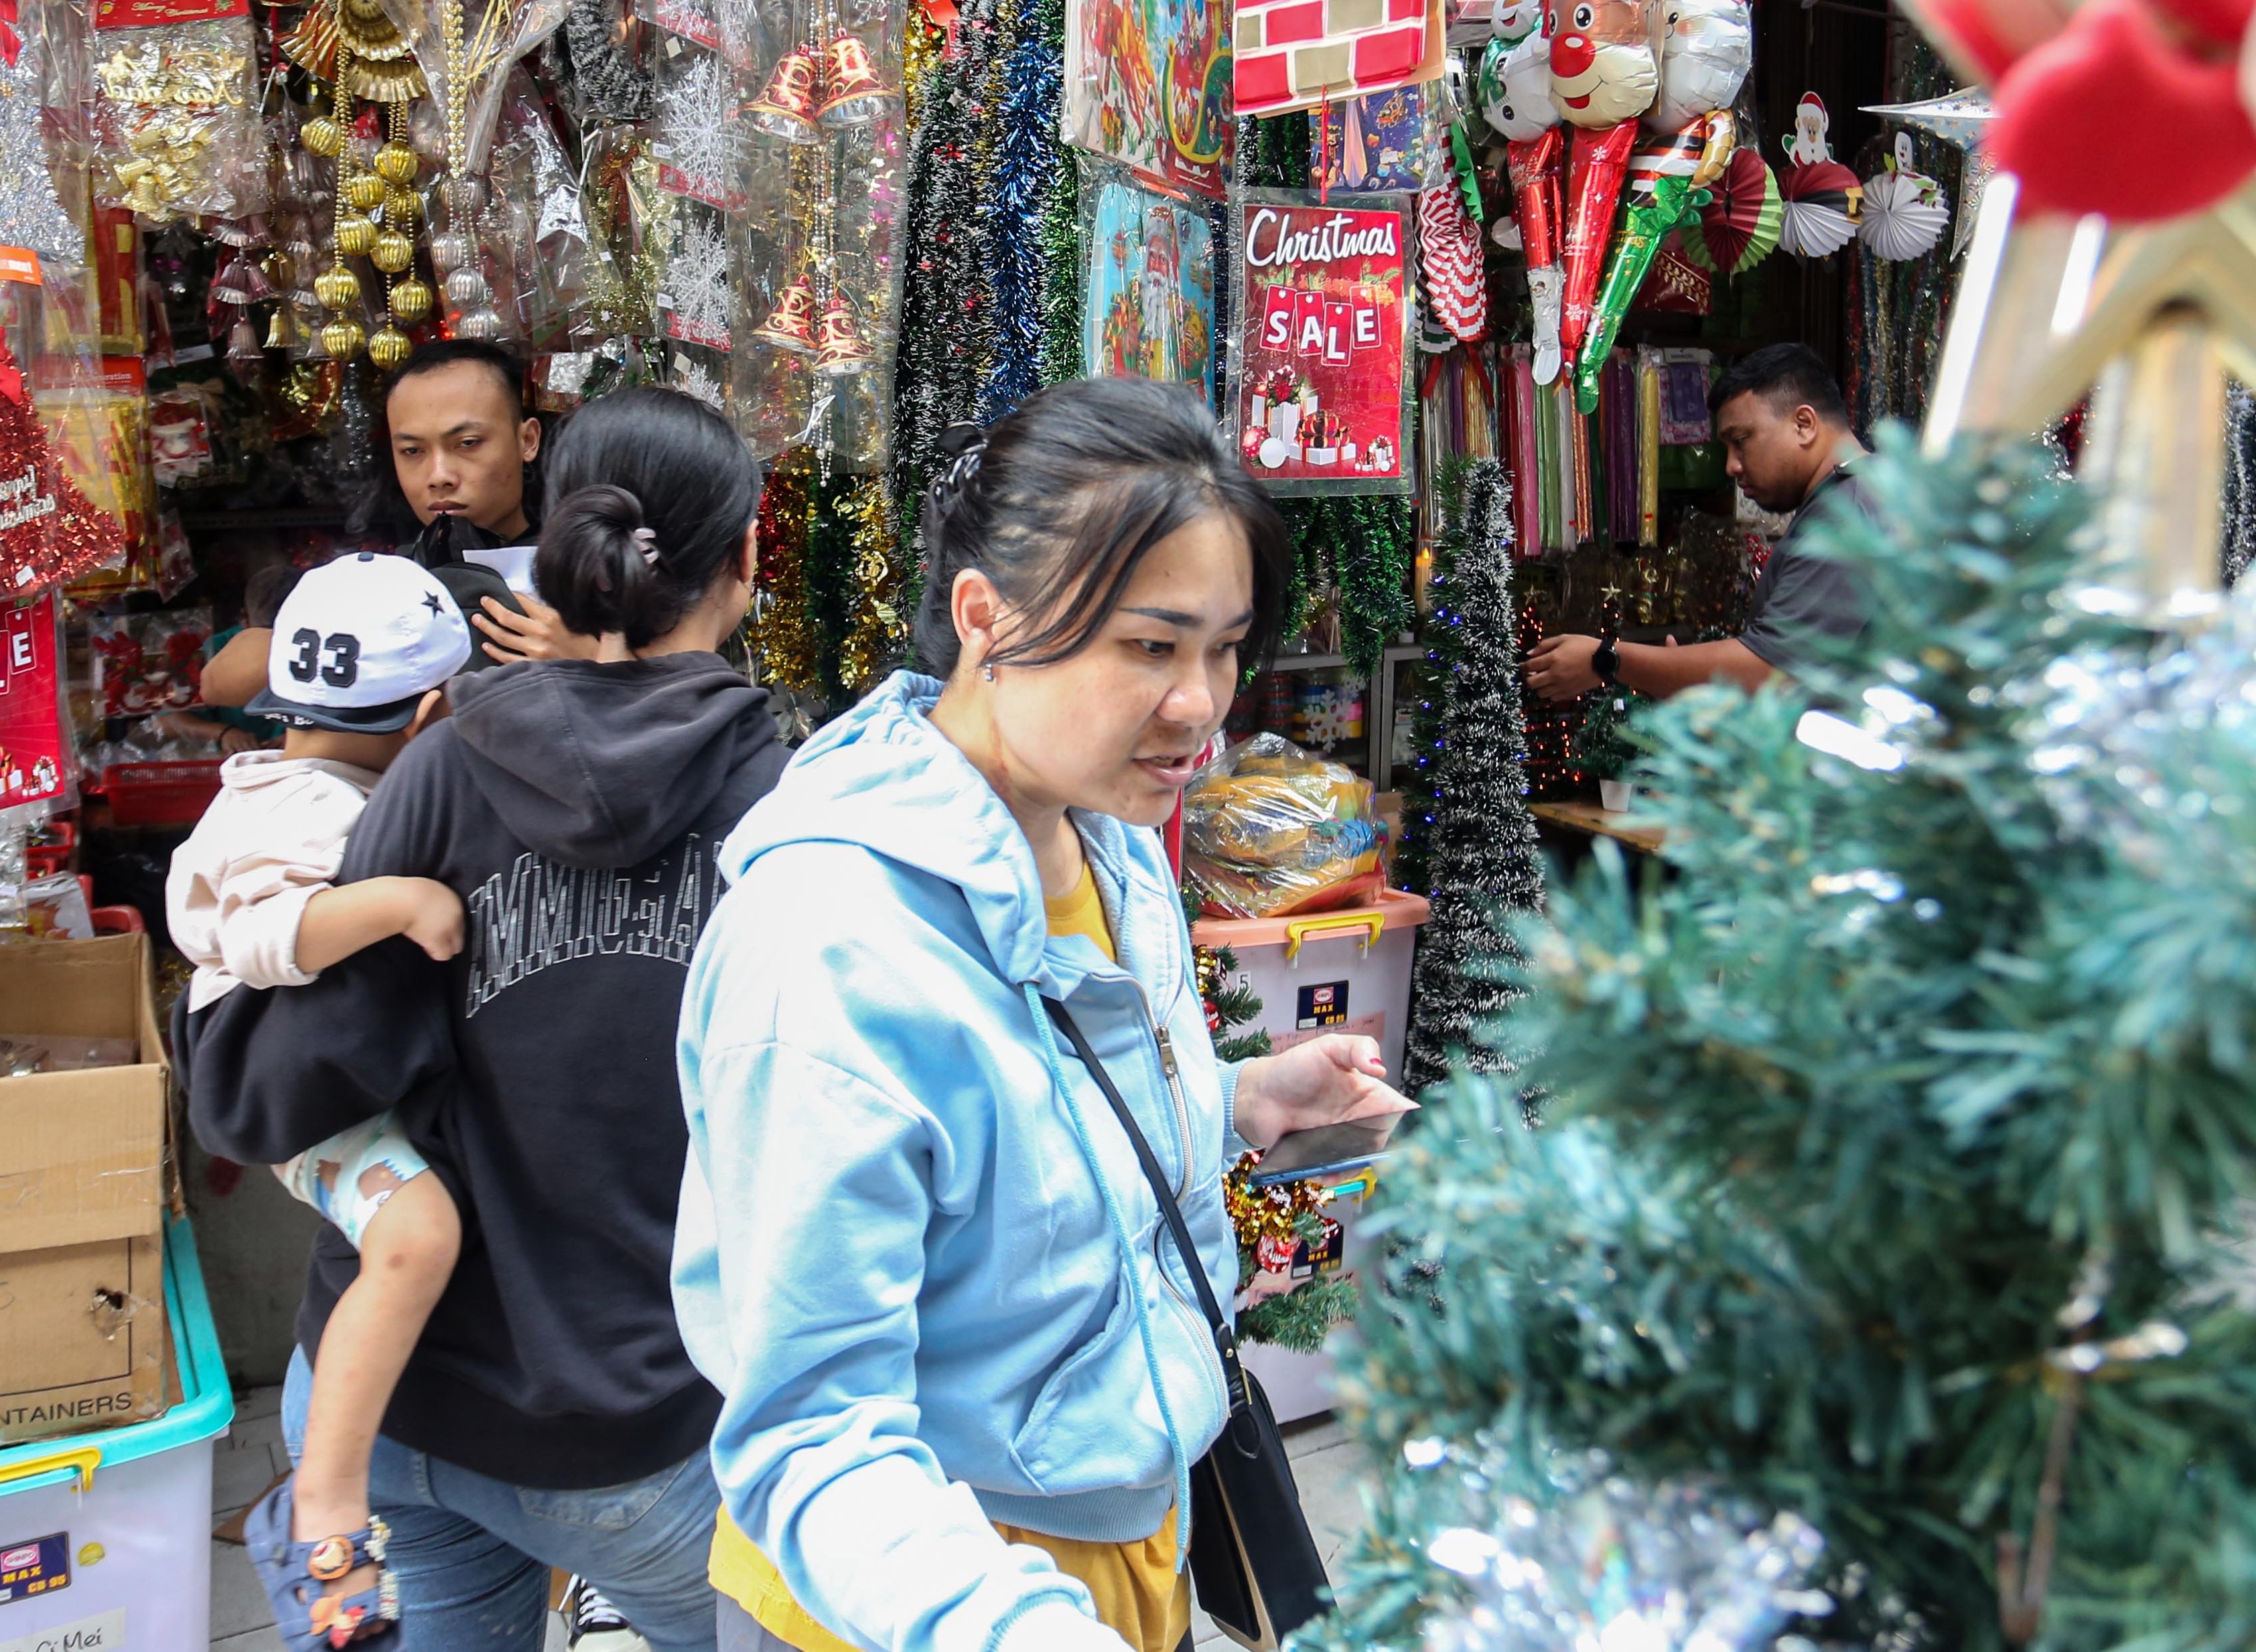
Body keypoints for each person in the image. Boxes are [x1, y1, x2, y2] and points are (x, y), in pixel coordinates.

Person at [675, 379, 1413, 1652]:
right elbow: (812, 1432)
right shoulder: (830, 947)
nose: (1201, 705)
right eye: (1149, 645)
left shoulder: (1105, 844)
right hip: (909, 1608)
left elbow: (1029, 1139)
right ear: (986, 619)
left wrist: (1234, 1101)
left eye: (1224, 646)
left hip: (1129, 1552)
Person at [182, 386, 786, 1652]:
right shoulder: (789, 809)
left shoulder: (444, 765)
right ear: (748, 554)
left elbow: (288, 1085)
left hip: (381, 1403)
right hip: (633, 1432)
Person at [166, 553, 482, 1647]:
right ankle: (324, 1510)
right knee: (417, 1235)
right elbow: (244, 935)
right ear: (432, 711)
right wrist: (396, 900)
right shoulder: (304, 812)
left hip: (310, 1081)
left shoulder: (305, 784)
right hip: (282, 1085)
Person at [202, 340, 573, 710]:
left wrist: (589, 659)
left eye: (467, 443)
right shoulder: (384, 581)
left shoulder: (592, 570)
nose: (439, 475)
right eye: (413, 451)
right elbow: (218, 685)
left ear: (527, 441)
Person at [1527, 342, 1878, 703]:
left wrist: (1607, 659)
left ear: (1803, 425)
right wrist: (1679, 674)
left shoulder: (1848, 514)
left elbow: (1770, 669)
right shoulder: (1858, 497)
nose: (1732, 466)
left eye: (1741, 441)